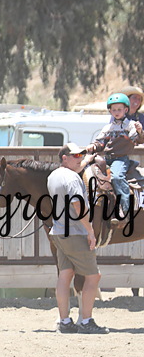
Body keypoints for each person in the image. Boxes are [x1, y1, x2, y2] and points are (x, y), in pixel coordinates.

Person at [49, 143, 107, 334]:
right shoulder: (73, 178)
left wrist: (86, 161)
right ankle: (86, 321)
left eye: (80, 155)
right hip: (75, 233)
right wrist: (90, 231)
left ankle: (64, 321)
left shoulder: (53, 176)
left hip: (59, 231)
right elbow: (78, 206)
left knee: (65, 275)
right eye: (75, 156)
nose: (79, 158)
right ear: (64, 158)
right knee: (93, 276)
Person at [82, 92, 138, 221]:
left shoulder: (131, 125)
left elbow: (137, 138)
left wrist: (139, 132)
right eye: (114, 110)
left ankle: (125, 208)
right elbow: (100, 142)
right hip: (107, 158)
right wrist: (93, 146)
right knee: (88, 174)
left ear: (126, 110)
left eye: (119, 109)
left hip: (121, 158)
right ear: (110, 111)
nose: (116, 112)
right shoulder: (108, 127)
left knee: (117, 177)